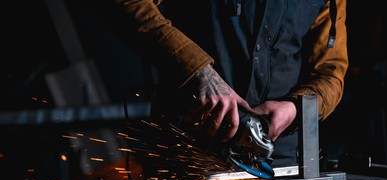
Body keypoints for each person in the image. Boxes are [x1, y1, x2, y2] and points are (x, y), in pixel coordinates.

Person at [90, 0, 348, 168]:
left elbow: (330, 70)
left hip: (278, 164)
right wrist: (199, 72)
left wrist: (293, 109)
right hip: (188, 153)